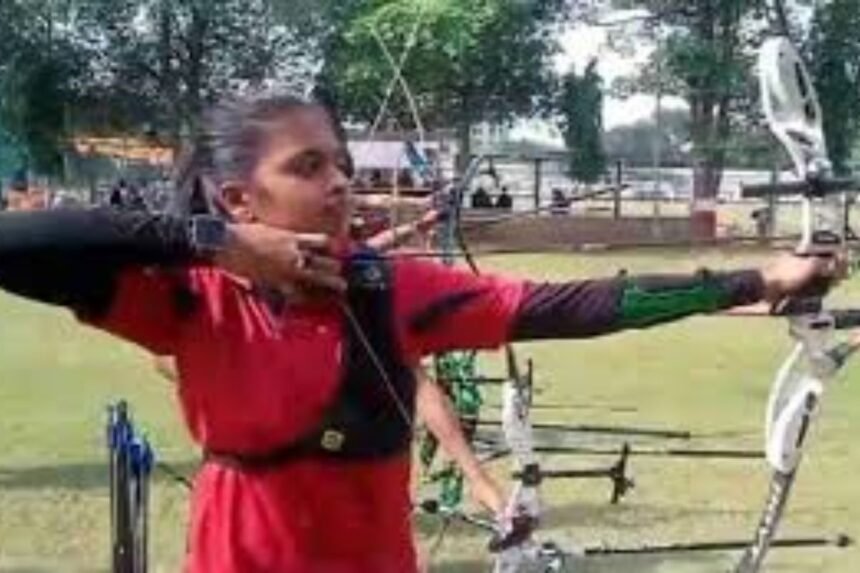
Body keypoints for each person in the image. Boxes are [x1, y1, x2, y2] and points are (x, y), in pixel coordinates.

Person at [0, 93, 841, 573]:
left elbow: (575, 305)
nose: (339, 184)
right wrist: (214, 247)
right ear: (237, 201)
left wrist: (754, 279)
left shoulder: (392, 289)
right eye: (308, 167)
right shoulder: (190, 297)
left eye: (341, 165)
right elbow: (19, 245)